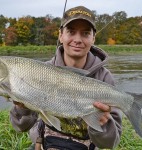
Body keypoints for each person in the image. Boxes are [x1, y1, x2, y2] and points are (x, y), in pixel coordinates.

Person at [10, 6, 122, 150]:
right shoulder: (39, 72)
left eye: (85, 33)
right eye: (71, 32)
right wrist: (22, 108)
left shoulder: (104, 78)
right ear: (60, 35)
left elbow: (110, 143)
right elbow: (20, 127)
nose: (77, 39)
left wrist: (102, 123)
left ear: (93, 38)